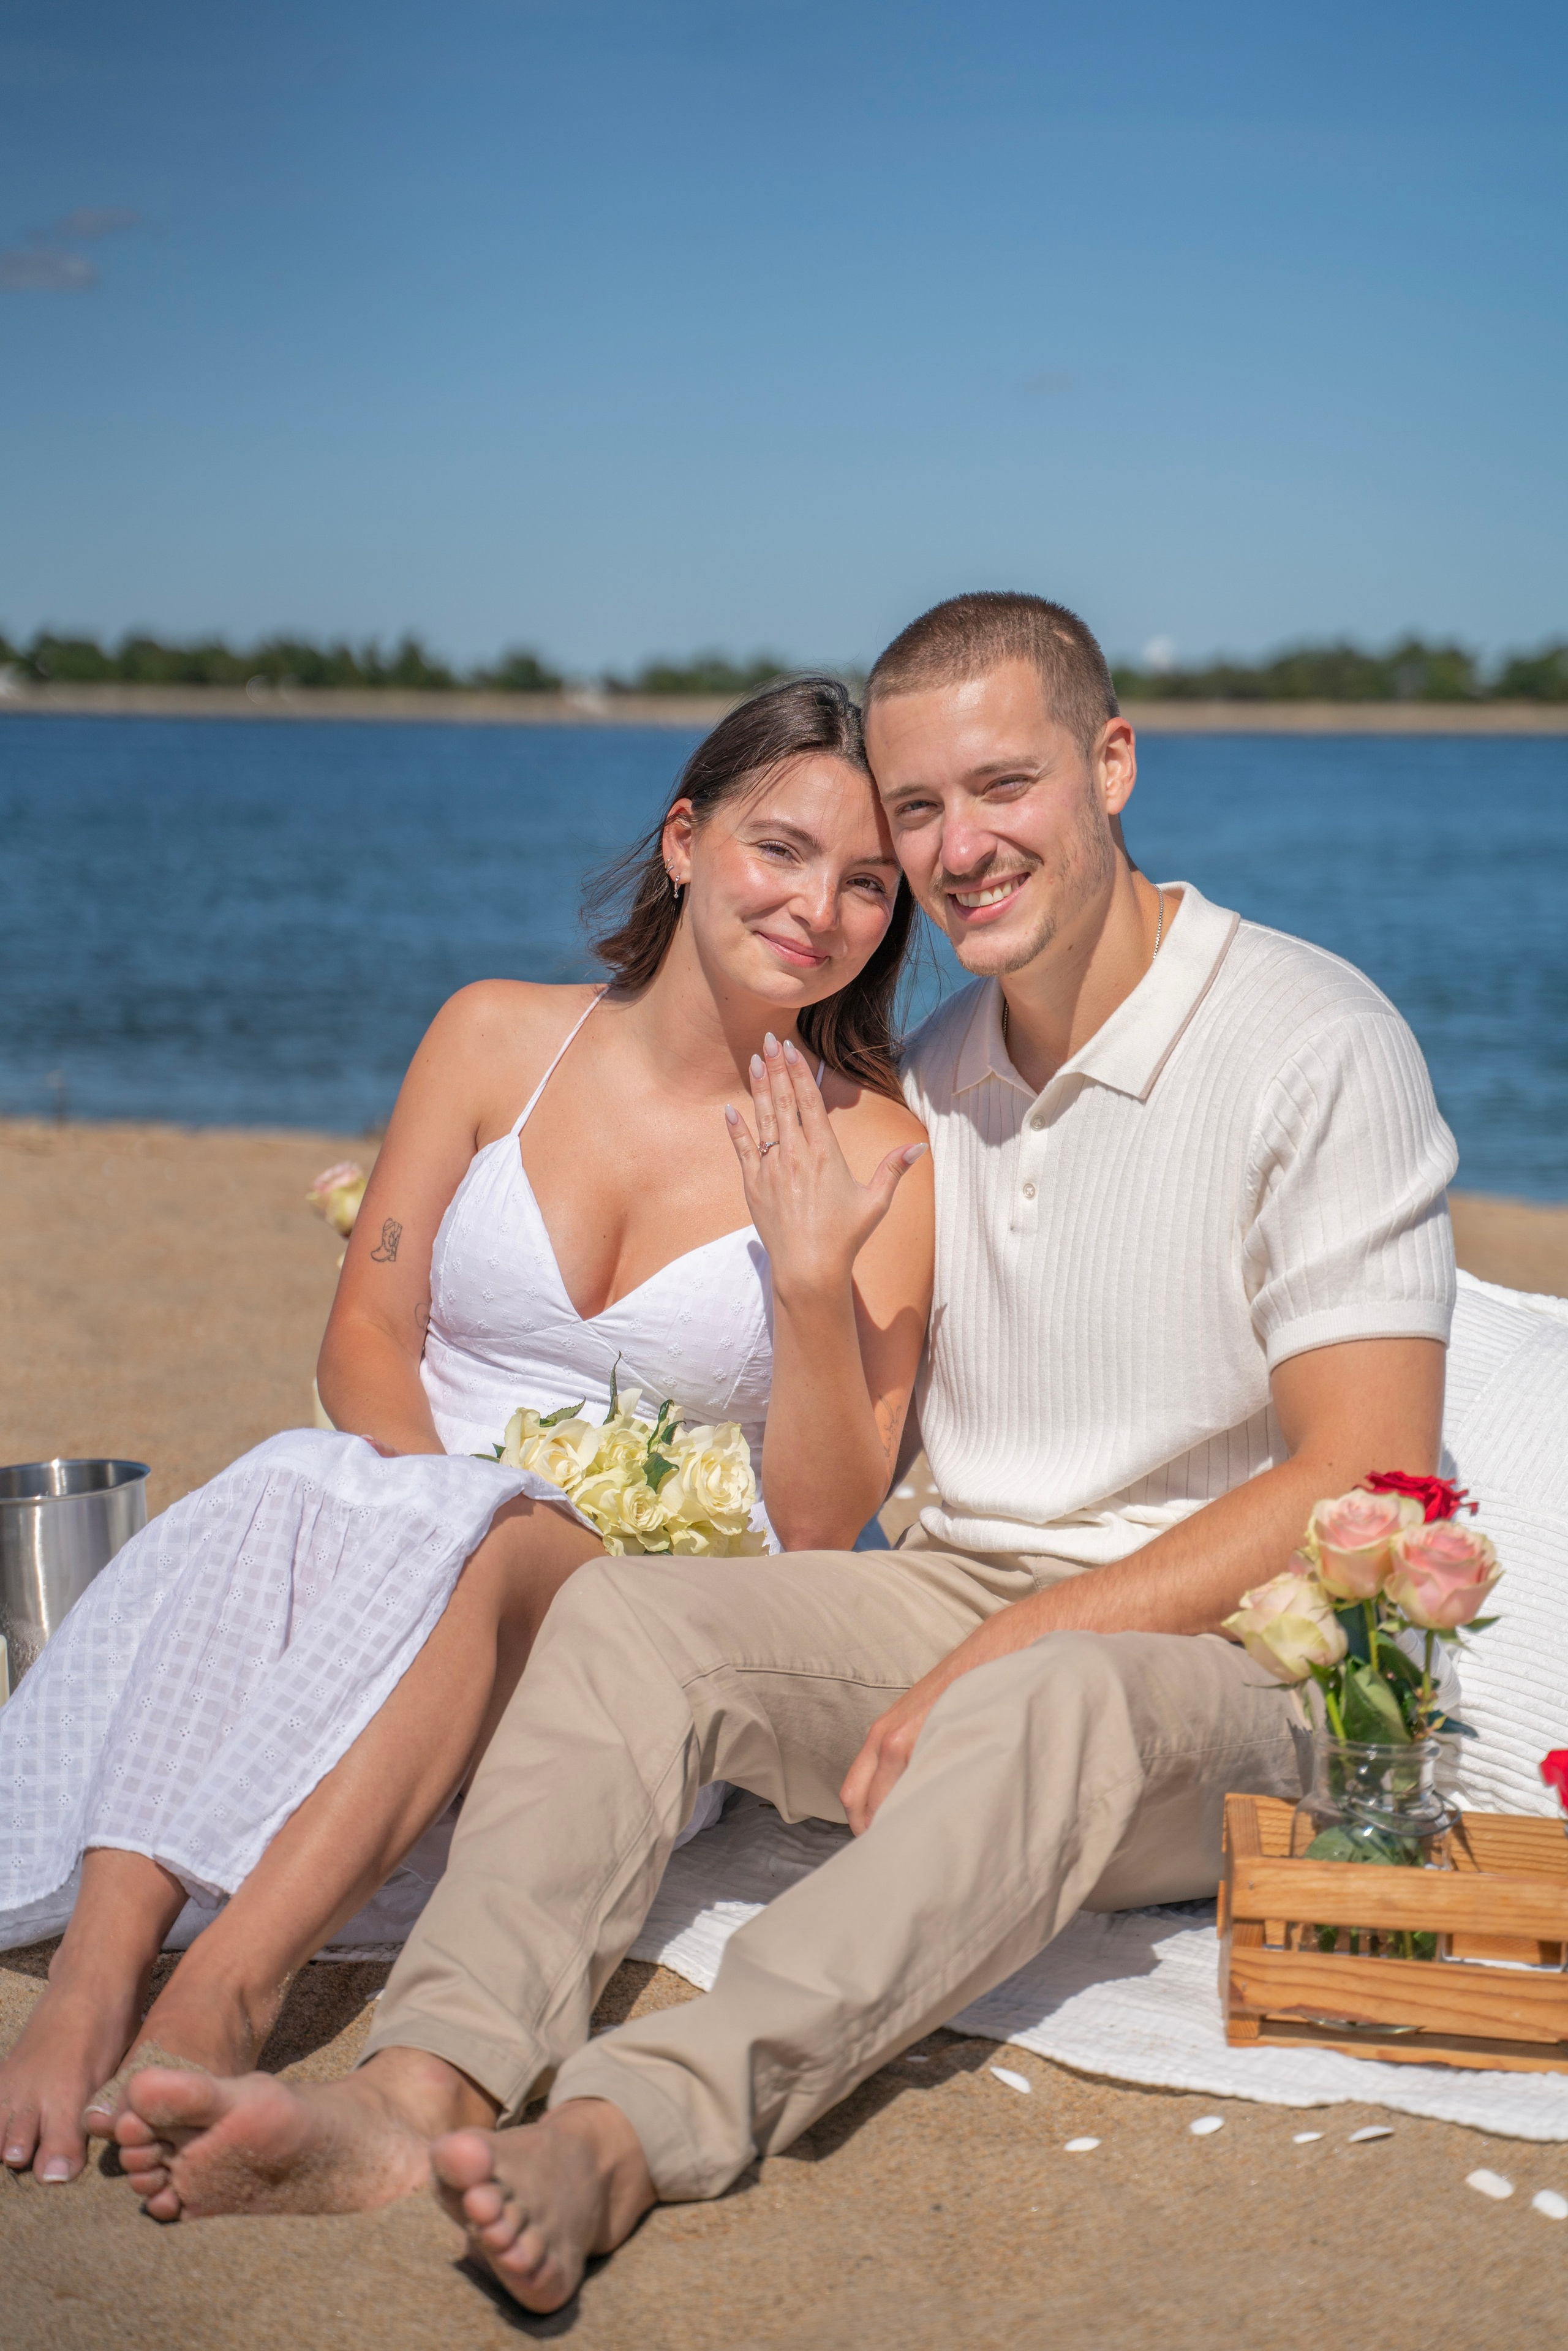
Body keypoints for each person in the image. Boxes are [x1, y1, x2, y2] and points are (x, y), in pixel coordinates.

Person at [111, 592, 1457, 2312]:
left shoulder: (1312, 1042)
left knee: (1052, 1699)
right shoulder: (937, 1068)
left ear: (1112, 763)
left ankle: (629, 2124)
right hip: (960, 1590)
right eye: (917, 811)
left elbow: (1365, 1472)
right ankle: (415, 2086)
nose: (957, 847)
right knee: (631, 1614)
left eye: (1005, 785)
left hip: (1238, 1655)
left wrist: (996, 1650)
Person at [0, 675, 935, 2185]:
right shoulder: (493, 1036)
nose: (817, 907)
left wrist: (813, 1278)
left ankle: (224, 1986)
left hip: (639, 1615)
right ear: (685, 839)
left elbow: (821, 1524)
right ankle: (101, 1969)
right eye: (781, 850)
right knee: (313, 1473)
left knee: (484, 1542)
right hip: (397, 1513)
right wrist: (427, 1514)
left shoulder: (877, 1146)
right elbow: (364, 1330)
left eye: (868, 886)